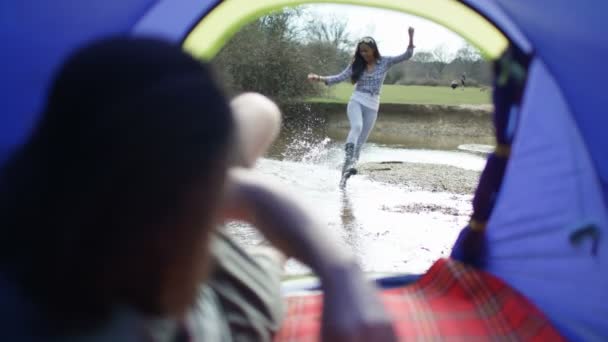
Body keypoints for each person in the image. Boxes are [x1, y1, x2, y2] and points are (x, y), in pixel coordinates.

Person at [0, 37, 396, 341]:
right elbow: (253, 199)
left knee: (259, 109)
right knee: (266, 257)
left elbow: (249, 195)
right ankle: (270, 251)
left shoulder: (68, 186)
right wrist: (339, 272)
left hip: (125, 240)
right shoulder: (206, 320)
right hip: (209, 298)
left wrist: (339, 273)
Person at [308, 27, 416, 188]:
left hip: (373, 105)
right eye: (361, 52)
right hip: (357, 100)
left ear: (373, 50)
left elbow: (406, 55)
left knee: (361, 143)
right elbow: (339, 77)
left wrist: (411, 37)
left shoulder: (385, 62)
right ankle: (348, 153)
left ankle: (344, 177)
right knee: (356, 127)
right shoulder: (356, 65)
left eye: (366, 51)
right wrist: (320, 78)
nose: (363, 54)